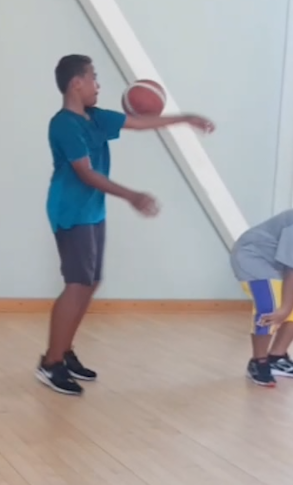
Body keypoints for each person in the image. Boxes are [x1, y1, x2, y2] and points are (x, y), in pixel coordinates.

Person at [37, 54, 216, 396]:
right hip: (70, 209)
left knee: (91, 282)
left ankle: (64, 350)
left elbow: (138, 123)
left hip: (92, 210)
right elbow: (85, 173)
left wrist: (185, 118)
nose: (98, 85)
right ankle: (50, 363)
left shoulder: (95, 118)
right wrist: (132, 195)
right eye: (93, 78)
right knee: (77, 284)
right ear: (77, 83)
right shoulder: (63, 124)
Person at [230, 174, 293, 387]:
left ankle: (277, 357)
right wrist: (285, 307)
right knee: (271, 307)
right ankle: (258, 362)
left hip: (281, 264)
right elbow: (291, 267)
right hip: (254, 257)